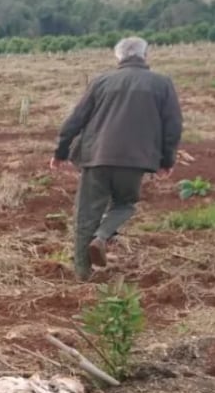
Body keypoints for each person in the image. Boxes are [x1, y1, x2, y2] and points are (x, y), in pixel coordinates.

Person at [51, 36, 183, 281]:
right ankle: (102, 236)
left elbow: (75, 119)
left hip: (96, 157)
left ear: (118, 57)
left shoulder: (101, 81)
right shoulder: (162, 83)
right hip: (136, 160)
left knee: (86, 214)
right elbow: (173, 125)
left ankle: (82, 272)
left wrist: (61, 152)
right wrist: (167, 161)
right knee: (125, 204)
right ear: (145, 55)